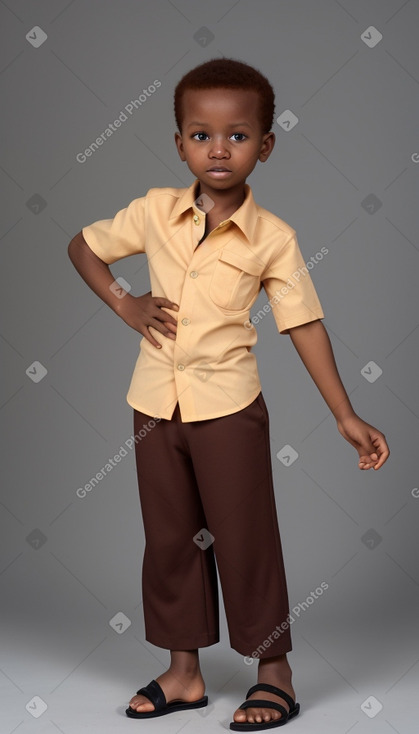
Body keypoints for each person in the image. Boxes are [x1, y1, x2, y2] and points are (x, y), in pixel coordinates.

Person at [68, 58, 390, 731]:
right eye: (200, 134)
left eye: (237, 135)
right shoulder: (155, 211)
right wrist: (126, 305)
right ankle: (183, 672)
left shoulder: (273, 238)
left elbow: (302, 322)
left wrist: (344, 414)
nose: (218, 149)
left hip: (228, 411)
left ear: (264, 146)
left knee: (245, 538)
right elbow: (84, 247)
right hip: (155, 405)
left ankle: (274, 673)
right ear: (179, 142)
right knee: (169, 540)